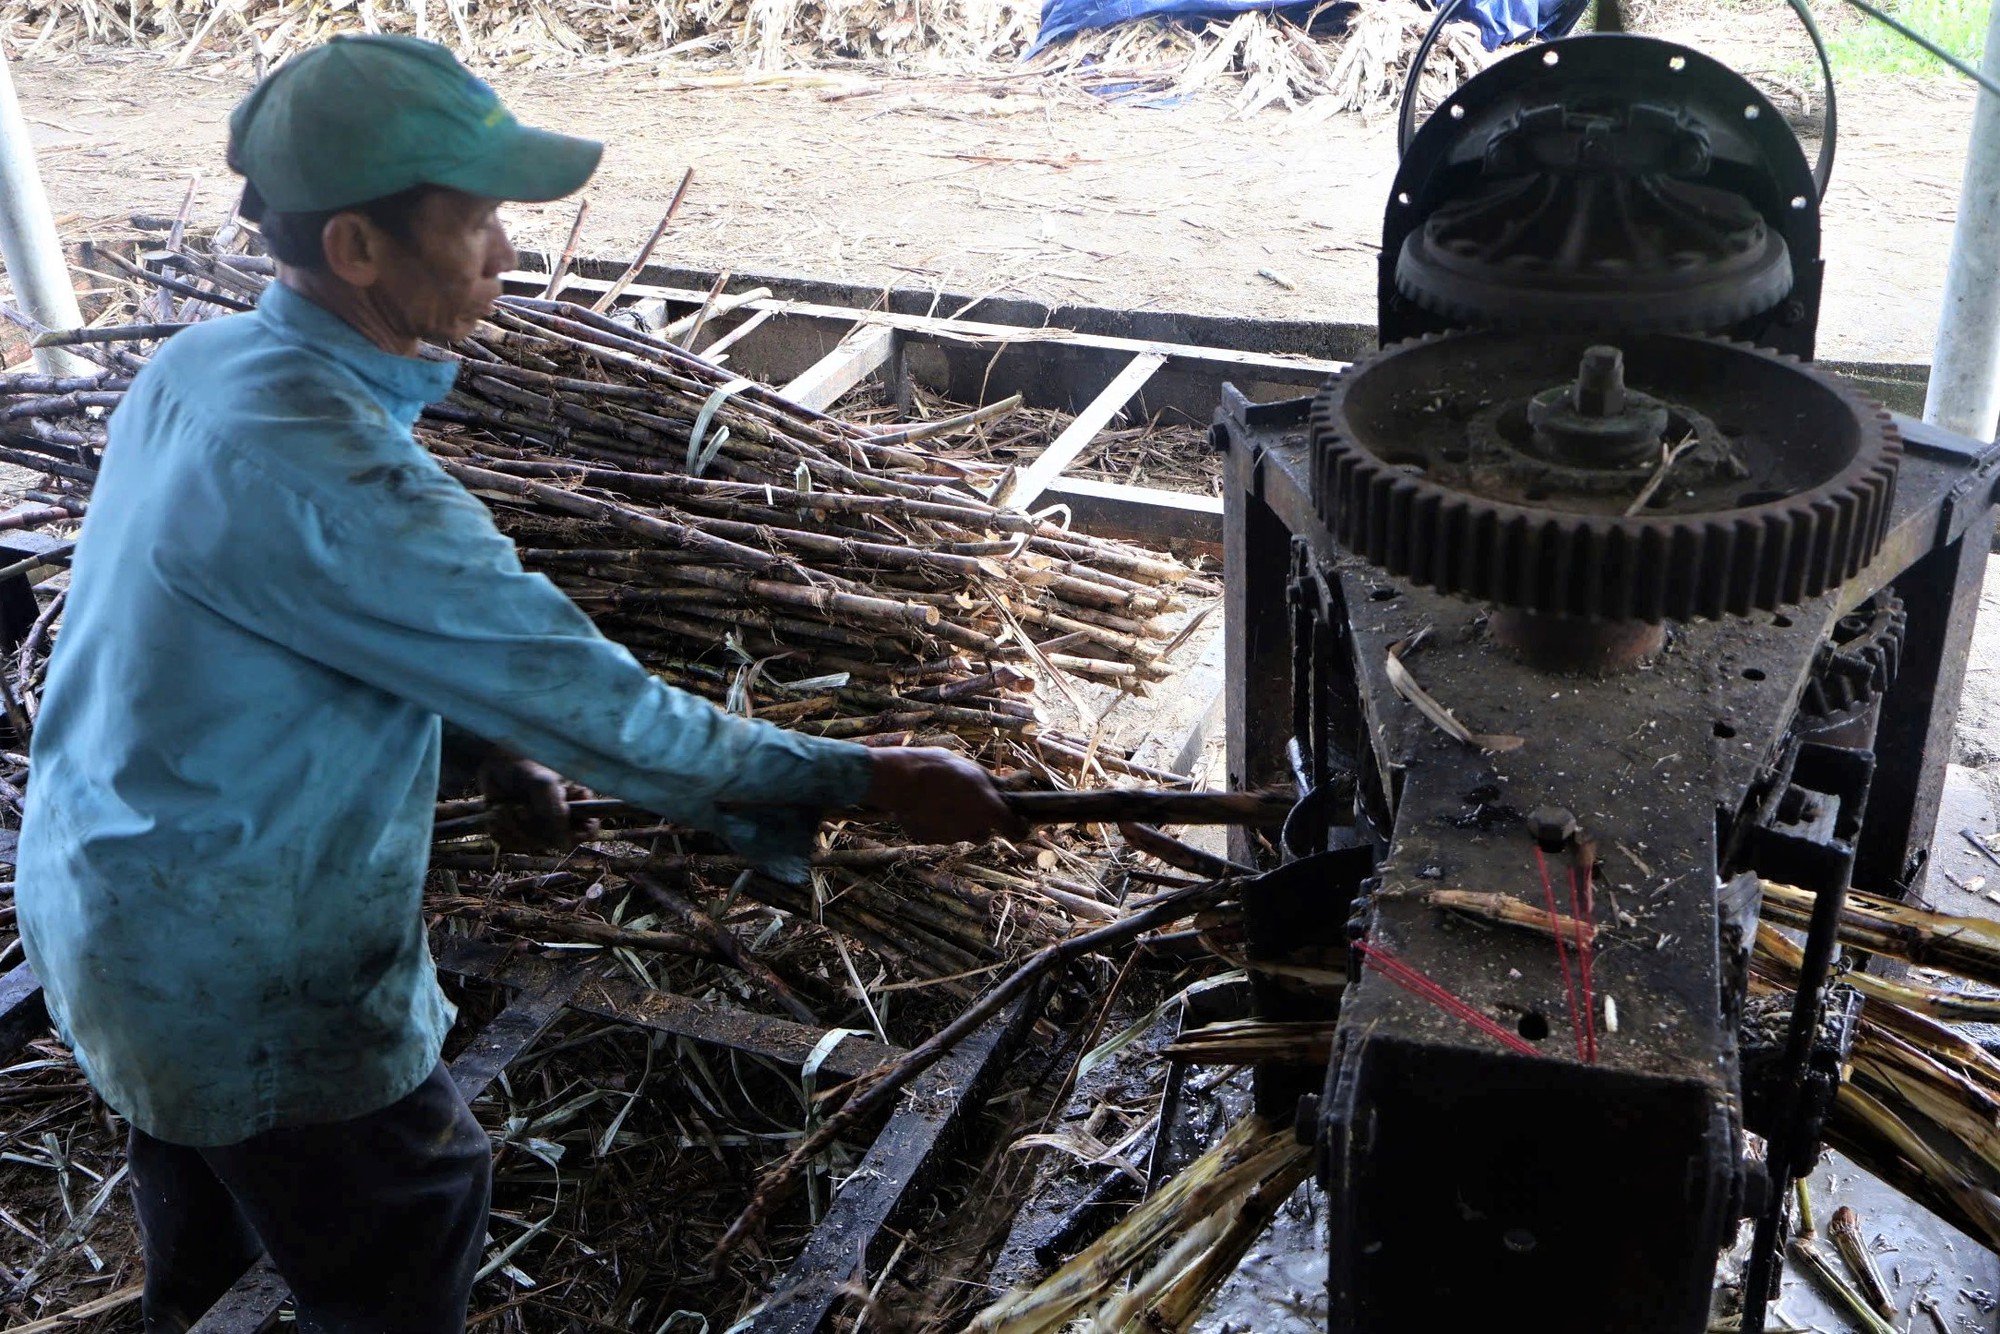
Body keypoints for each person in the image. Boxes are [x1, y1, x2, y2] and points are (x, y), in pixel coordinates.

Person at [14, 33, 1020, 1334]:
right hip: (243, 961)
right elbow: (606, 708)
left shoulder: (200, 368)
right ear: (357, 249)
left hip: (113, 900)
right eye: (475, 221)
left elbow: (273, 636)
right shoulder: (345, 475)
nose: (505, 253)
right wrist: (860, 777)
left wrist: (488, 751)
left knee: (213, 1221)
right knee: (414, 1208)